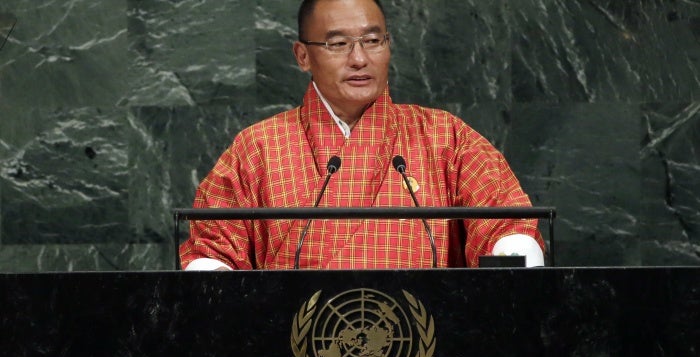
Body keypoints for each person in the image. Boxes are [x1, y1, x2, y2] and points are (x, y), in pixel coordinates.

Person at [179, 0, 544, 271]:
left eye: (372, 41)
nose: (359, 59)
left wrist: (511, 246)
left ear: (389, 45)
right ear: (302, 56)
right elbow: (212, 250)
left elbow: (504, 220)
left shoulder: (445, 136)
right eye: (338, 44)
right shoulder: (256, 148)